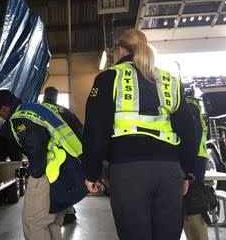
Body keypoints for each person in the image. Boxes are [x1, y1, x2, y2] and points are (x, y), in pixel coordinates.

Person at [83, 29, 197, 240]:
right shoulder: (170, 80)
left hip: (129, 172)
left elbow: (96, 130)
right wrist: (187, 171)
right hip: (170, 171)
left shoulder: (109, 77)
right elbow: (189, 130)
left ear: (119, 50)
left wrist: (91, 171)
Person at [0, 89, 87, 240]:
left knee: (33, 223)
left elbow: (36, 147)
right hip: (69, 171)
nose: (0, 116)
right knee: (52, 223)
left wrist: (34, 172)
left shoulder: (20, 117)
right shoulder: (37, 109)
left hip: (50, 172)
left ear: (3, 108)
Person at [43, 86, 82, 224]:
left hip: (44, 156)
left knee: (46, 185)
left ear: (45, 96)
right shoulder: (66, 111)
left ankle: (49, 214)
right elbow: (79, 130)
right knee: (66, 182)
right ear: (56, 96)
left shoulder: (37, 110)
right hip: (65, 154)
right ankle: (69, 212)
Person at [183, 91, 209, 240]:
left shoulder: (189, 105)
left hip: (194, 159)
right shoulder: (190, 104)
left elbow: (193, 136)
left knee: (193, 206)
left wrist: (189, 169)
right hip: (193, 158)